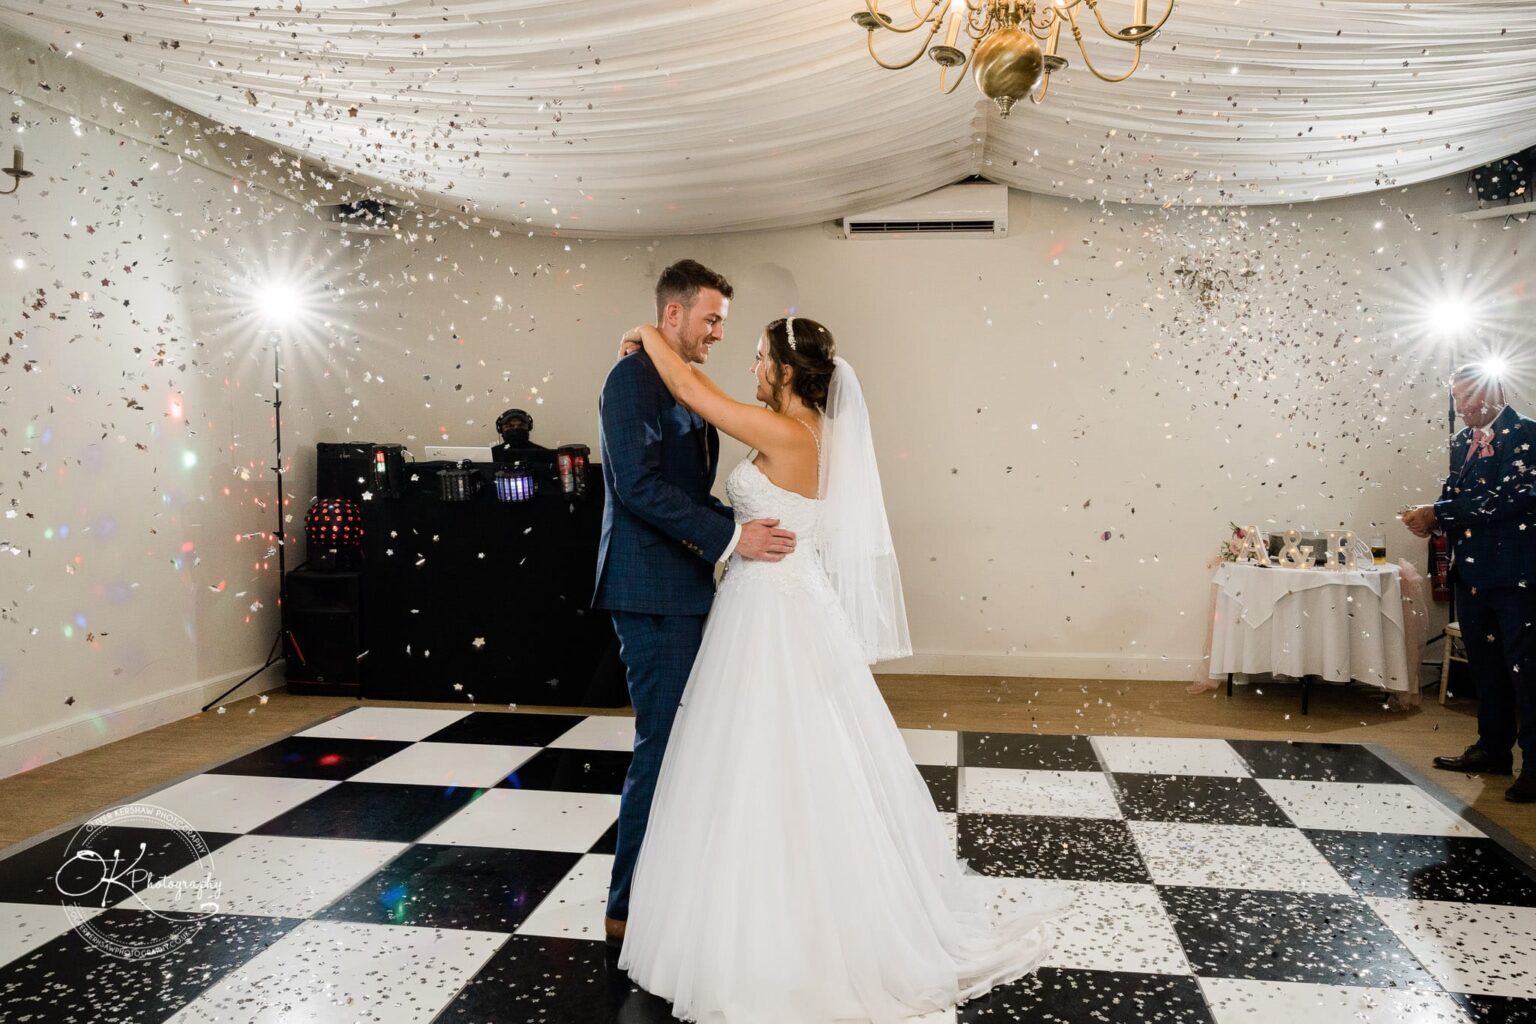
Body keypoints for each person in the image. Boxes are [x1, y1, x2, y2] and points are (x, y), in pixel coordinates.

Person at [614, 314, 1062, 1022]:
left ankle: (779, 928)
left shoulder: (790, 434)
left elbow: (696, 393)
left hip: (773, 610)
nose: (754, 367)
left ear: (788, 371)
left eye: (762, 356)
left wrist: (647, 334)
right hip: (780, 602)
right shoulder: (813, 434)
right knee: (786, 753)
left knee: (768, 755)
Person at [591, 260, 798, 950]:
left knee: (691, 749)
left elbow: (682, 485)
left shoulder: (676, 379)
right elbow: (639, 488)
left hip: (684, 588)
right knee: (664, 749)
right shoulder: (631, 380)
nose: (717, 333)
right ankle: (627, 909)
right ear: (671, 315)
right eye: (710, 319)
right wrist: (735, 535)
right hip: (650, 594)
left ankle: (675, 892)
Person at [1403, 364, 1536, 803]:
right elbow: (1459, 498)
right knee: (1487, 667)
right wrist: (1431, 517)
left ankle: (1534, 768)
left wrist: (1439, 513)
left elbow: (1512, 498)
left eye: (1467, 399)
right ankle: (1493, 750)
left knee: (1526, 672)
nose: (1460, 409)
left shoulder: (1529, 436)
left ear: (1495, 392)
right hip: (1473, 574)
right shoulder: (1462, 442)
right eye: (1456, 399)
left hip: (1517, 574)